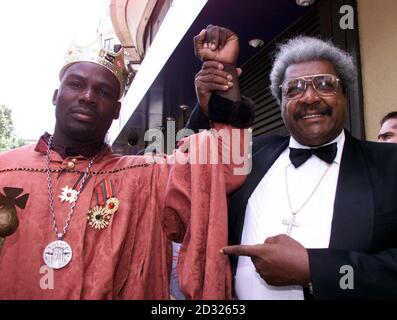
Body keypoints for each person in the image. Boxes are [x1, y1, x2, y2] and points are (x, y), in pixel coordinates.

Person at [0, 26, 254, 299]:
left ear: (117, 110)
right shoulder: (6, 169)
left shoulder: (145, 176)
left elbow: (227, 167)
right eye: (76, 84)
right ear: (55, 95)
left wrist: (222, 73)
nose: (88, 96)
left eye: (104, 92)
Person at [188, 35, 397, 299]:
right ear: (281, 103)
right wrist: (215, 91)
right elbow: (191, 172)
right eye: (294, 88)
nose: (309, 97)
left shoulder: (389, 165)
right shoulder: (252, 155)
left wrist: (315, 270)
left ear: (345, 94)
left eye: (324, 84)